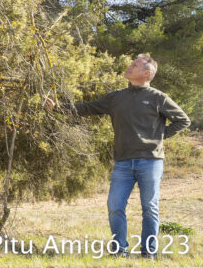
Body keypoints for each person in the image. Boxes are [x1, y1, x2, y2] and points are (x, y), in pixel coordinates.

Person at [43, 54, 190, 259]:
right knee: (114, 206)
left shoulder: (159, 98)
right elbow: (88, 107)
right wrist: (58, 108)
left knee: (149, 208)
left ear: (146, 73)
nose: (129, 67)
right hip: (122, 162)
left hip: (151, 161)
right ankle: (120, 251)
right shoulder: (116, 97)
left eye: (134, 65)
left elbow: (183, 120)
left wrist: (160, 136)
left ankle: (149, 252)